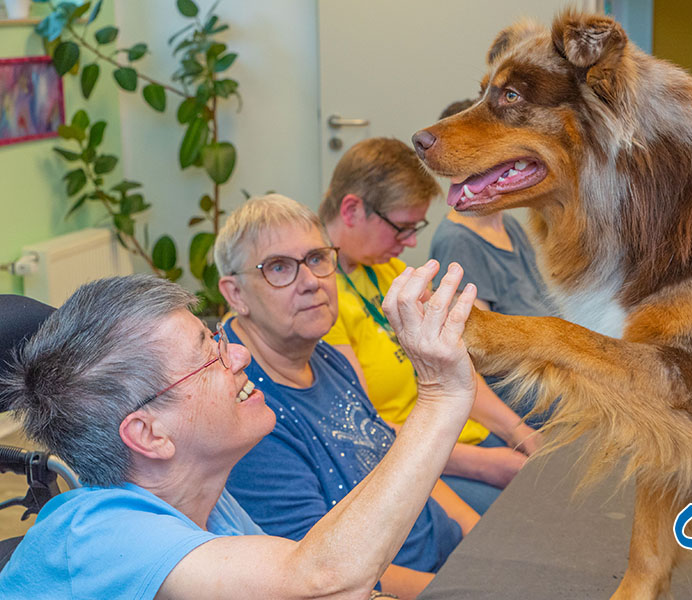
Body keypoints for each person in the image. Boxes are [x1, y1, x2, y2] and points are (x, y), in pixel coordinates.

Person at [0, 260, 479, 599]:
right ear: (149, 434)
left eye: (216, 337)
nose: (241, 356)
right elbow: (322, 579)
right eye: (210, 356)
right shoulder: (99, 536)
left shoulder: (208, 503)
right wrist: (441, 392)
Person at [213, 194, 478, 599]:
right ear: (235, 294)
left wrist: (476, 535)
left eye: (318, 259)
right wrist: (471, 588)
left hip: (445, 556)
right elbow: (327, 578)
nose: (311, 282)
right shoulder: (246, 408)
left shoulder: (324, 355)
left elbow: (395, 457)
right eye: (279, 268)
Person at [319, 137, 540, 514]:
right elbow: (367, 427)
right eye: (402, 228)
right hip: (409, 456)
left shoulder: (385, 268)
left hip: (457, 433)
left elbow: (454, 368)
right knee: (523, 514)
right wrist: (489, 464)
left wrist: (520, 433)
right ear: (352, 210)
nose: (411, 242)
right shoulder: (320, 296)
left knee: (551, 479)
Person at [430, 100, 559, 425]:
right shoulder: (458, 242)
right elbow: (479, 351)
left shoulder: (510, 225)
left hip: (546, 356)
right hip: (522, 383)